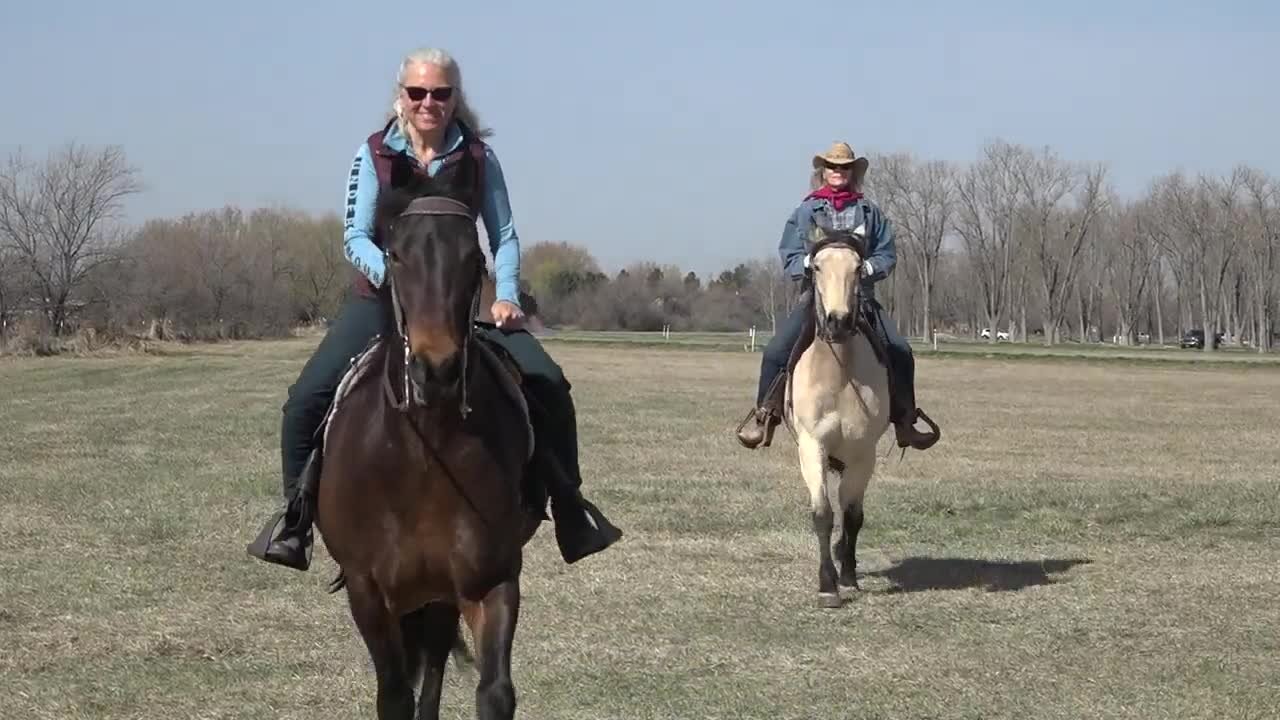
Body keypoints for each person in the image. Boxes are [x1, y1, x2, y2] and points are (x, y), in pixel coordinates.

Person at [247, 47, 622, 570]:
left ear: (455, 98)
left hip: (467, 301)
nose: (429, 102)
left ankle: (570, 510)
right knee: (305, 399)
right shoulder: (374, 153)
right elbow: (353, 236)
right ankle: (296, 519)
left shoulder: (479, 158)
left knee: (550, 384)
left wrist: (508, 294)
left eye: (440, 93)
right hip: (382, 299)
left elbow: (505, 235)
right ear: (400, 96)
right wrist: (400, 283)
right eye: (417, 92)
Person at [735, 141, 940, 451]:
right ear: (823, 171)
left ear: (852, 172)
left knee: (900, 350)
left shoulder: (870, 212)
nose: (838, 172)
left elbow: (886, 253)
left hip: (862, 299)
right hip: (815, 299)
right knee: (776, 351)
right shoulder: (805, 211)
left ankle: (905, 420)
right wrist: (805, 264)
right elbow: (790, 252)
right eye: (832, 166)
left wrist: (868, 268)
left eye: (844, 167)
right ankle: (766, 416)